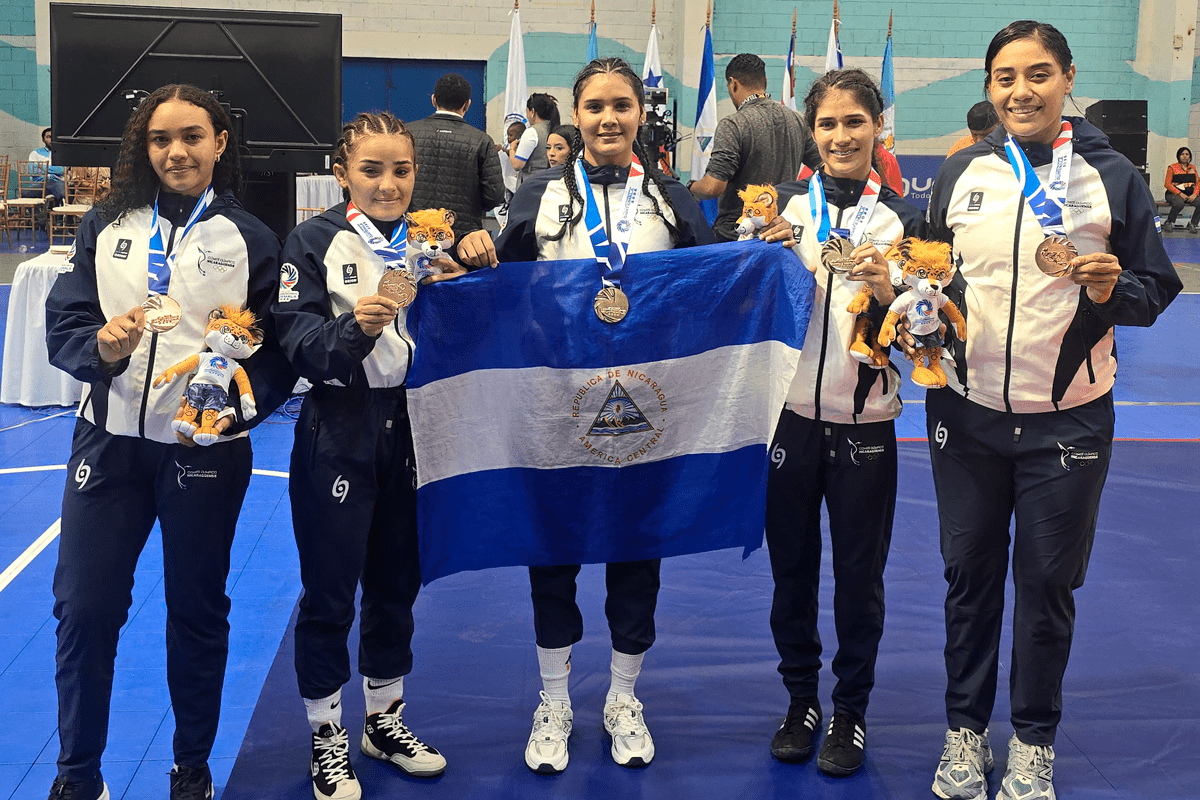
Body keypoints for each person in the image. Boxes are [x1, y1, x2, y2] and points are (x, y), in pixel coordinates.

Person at [923, 21, 1181, 800]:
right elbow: (932, 277)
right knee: (968, 580)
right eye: (1005, 77)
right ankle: (964, 734)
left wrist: (1113, 290)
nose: (1020, 91)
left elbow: (1155, 288)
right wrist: (915, 317)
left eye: (1038, 74)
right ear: (990, 87)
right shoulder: (963, 171)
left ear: (1067, 79)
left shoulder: (1110, 175)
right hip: (965, 419)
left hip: (1067, 420)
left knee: (1046, 588)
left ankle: (1033, 744)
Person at [457, 56, 713, 775]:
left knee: (638, 555)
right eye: (596, 105)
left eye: (621, 105)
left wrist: (764, 255)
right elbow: (494, 281)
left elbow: (715, 283)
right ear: (577, 112)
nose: (609, 118)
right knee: (554, 555)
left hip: (647, 410)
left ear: (640, 114)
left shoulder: (669, 196)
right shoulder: (539, 192)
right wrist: (469, 250)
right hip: (554, 406)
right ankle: (555, 700)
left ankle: (624, 698)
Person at [44, 83, 294, 800]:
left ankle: (191, 770)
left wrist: (240, 409)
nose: (176, 152)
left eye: (192, 137)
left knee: (195, 608)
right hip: (110, 445)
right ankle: (76, 777)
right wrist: (101, 343)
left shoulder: (251, 237)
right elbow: (66, 323)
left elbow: (274, 350)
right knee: (84, 608)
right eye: (161, 139)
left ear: (220, 142)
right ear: (143, 147)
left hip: (204, 454)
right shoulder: (108, 224)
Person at [274, 111, 464, 800]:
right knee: (330, 593)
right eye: (372, 170)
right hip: (339, 429)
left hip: (415, 429)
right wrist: (350, 332)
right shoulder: (312, 240)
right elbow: (296, 342)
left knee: (395, 585)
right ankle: (326, 735)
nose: (389, 184)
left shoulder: (428, 242)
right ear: (342, 174)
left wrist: (470, 264)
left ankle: (383, 723)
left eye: (401, 170)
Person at [756, 68, 924, 778]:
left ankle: (850, 709)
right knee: (791, 575)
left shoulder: (904, 222)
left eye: (854, 122)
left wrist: (893, 291)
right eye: (827, 124)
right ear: (811, 132)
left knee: (860, 580)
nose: (840, 135)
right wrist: (755, 256)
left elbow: (925, 337)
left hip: (866, 427)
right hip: (789, 422)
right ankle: (801, 701)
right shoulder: (783, 212)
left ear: (877, 127)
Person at [687, 53, 821, 241]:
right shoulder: (797, 120)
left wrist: (690, 187)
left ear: (733, 84)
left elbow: (713, 187)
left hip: (736, 237)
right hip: (778, 235)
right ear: (765, 81)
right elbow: (824, 167)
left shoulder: (733, 124)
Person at [407, 72, 505, 252]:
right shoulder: (482, 141)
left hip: (415, 236)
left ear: (434, 100)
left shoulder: (407, 134)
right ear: (467, 104)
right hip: (464, 241)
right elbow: (495, 195)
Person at [508, 93, 560, 184]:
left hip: (532, 183)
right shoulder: (555, 128)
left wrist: (512, 149)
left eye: (527, 111)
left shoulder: (531, 132)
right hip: (551, 181)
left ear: (532, 112)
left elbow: (517, 164)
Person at [1162, 146, 1200, 232]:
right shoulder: (1172, 167)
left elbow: (1198, 183)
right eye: (1182, 154)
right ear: (1178, 156)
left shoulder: (1192, 168)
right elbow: (1167, 184)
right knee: (1179, 204)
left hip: (1190, 195)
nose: (1185, 156)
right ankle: (1169, 221)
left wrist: (1195, 194)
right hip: (1173, 194)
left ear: (1190, 156)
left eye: (1187, 154)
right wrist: (1179, 193)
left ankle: (1193, 223)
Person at [28, 126, 66, 205]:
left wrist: (42, 166)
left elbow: (62, 170)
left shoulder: (63, 154)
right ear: (43, 140)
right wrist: (54, 169)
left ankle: (58, 216)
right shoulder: (35, 153)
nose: (51, 140)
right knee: (25, 194)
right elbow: (32, 171)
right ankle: (37, 217)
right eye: (48, 137)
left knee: (64, 194)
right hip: (40, 183)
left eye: (53, 137)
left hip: (57, 182)